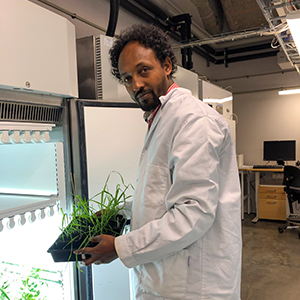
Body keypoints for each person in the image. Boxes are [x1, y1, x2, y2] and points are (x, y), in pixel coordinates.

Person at [76, 23, 242, 300]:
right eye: (127, 78)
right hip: (166, 278)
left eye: (143, 71)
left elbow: (194, 213)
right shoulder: (161, 118)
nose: (136, 85)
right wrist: (120, 213)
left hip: (194, 285)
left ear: (166, 66)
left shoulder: (193, 121)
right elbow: (161, 194)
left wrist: (119, 247)